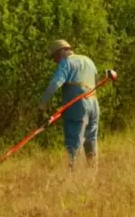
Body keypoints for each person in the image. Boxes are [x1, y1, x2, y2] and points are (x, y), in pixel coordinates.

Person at [39, 39, 100, 171]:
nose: (55, 61)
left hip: (78, 106)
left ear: (61, 52)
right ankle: (92, 172)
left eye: (54, 57)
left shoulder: (66, 63)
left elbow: (55, 84)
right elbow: (96, 82)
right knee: (91, 139)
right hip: (94, 104)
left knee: (74, 139)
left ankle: (74, 174)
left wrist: (43, 104)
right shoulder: (88, 60)